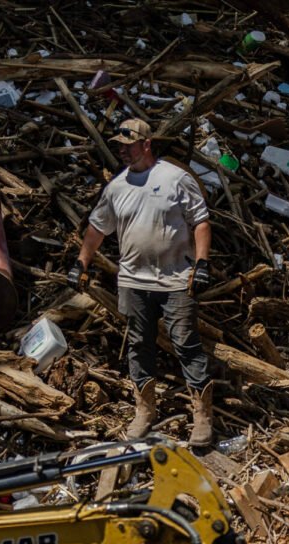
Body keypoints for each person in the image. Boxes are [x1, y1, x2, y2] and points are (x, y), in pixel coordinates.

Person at [68, 118, 218, 446]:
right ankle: (144, 411)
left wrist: (202, 264)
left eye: (129, 144)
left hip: (177, 278)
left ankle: (202, 417)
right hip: (134, 281)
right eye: (119, 145)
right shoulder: (117, 187)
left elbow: (201, 221)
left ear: (147, 144)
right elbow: (97, 229)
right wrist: (81, 262)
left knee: (186, 344)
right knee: (138, 345)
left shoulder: (176, 178)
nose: (123, 150)